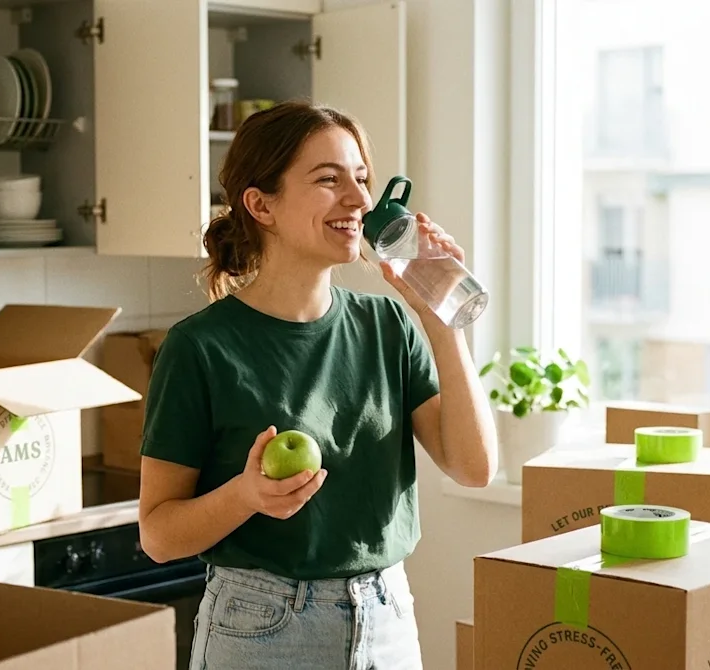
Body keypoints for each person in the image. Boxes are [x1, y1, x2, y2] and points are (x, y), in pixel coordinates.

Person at [137, 100, 498, 670]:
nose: (357, 201)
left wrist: (441, 320)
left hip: (388, 619)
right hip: (261, 628)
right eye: (329, 181)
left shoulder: (389, 325)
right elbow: (158, 534)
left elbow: (474, 468)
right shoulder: (200, 347)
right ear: (261, 205)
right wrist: (246, 495)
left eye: (361, 180)